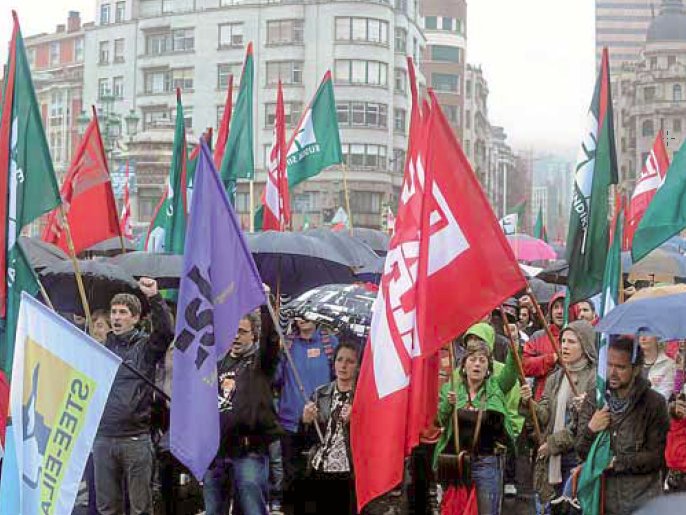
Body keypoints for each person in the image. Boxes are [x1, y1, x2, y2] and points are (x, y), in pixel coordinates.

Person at [93, 278, 173, 515]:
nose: (116, 317)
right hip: (103, 438)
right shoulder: (100, 348)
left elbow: (166, 331)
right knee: (107, 508)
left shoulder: (146, 348)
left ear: (136, 318)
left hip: (135, 439)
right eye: (114, 312)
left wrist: (155, 298)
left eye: (123, 312)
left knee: (140, 508)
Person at [203, 302, 282, 515]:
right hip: (216, 452)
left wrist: (265, 307)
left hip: (249, 451)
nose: (236, 336)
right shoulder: (216, 364)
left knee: (252, 510)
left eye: (242, 332)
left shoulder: (261, 363)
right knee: (213, 511)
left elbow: (272, 341)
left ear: (254, 336)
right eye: (232, 331)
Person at [576, 337, 669, 515]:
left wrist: (618, 462)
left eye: (621, 367)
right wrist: (591, 429)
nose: (613, 372)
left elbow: (656, 457)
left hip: (642, 502)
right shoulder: (596, 398)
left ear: (636, 370)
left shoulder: (654, 403)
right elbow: (581, 450)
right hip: (604, 501)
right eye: (609, 365)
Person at [433, 325, 520, 515]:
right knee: (455, 510)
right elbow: (439, 420)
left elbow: (512, 372)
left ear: (489, 368)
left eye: (482, 361)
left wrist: (515, 345)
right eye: (472, 360)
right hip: (456, 462)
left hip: (487, 463)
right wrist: (449, 405)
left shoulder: (496, 387)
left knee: (486, 511)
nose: (477, 364)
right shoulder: (452, 388)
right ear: (464, 366)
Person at [520, 320, 596, 513]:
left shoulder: (594, 380)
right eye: (563, 341)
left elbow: (582, 426)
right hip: (551, 460)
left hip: (575, 458)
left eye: (572, 342)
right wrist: (529, 404)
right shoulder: (556, 377)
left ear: (585, 344)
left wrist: (553, 443)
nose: (564, 346)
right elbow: (545, 416)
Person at [274, 315, 338, 498]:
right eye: (299, 315)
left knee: (320, 479)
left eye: (307, 314)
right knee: (292, 479)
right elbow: (275, 379)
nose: (303, 318)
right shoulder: (287, 344)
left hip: (322, 423)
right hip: (291, 423)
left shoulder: (330, 342)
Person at [301, 341, 360, 514]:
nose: (343, 365)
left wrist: (356, 419)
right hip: (320, 467)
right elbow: (307, 439)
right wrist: (305, 421)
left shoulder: (362, 397)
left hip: (348, 472)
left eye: (350, 361)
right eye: (340, 360)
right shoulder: (321, 393)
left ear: (357, 366)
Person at [523, 291, 567, 400]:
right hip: (542, 400)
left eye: (564, 307)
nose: (559, 312)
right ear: (550, 311)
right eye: (556, 307)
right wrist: (551, 359)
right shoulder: (538, 336)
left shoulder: (579, 337)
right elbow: (524, 365)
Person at [638, 333, 676, 400]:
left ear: (657, 337)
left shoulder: (669, 364)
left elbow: (663, 397)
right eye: (640, 334)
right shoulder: (632, 362)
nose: (643, 338)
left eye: (648, 333)